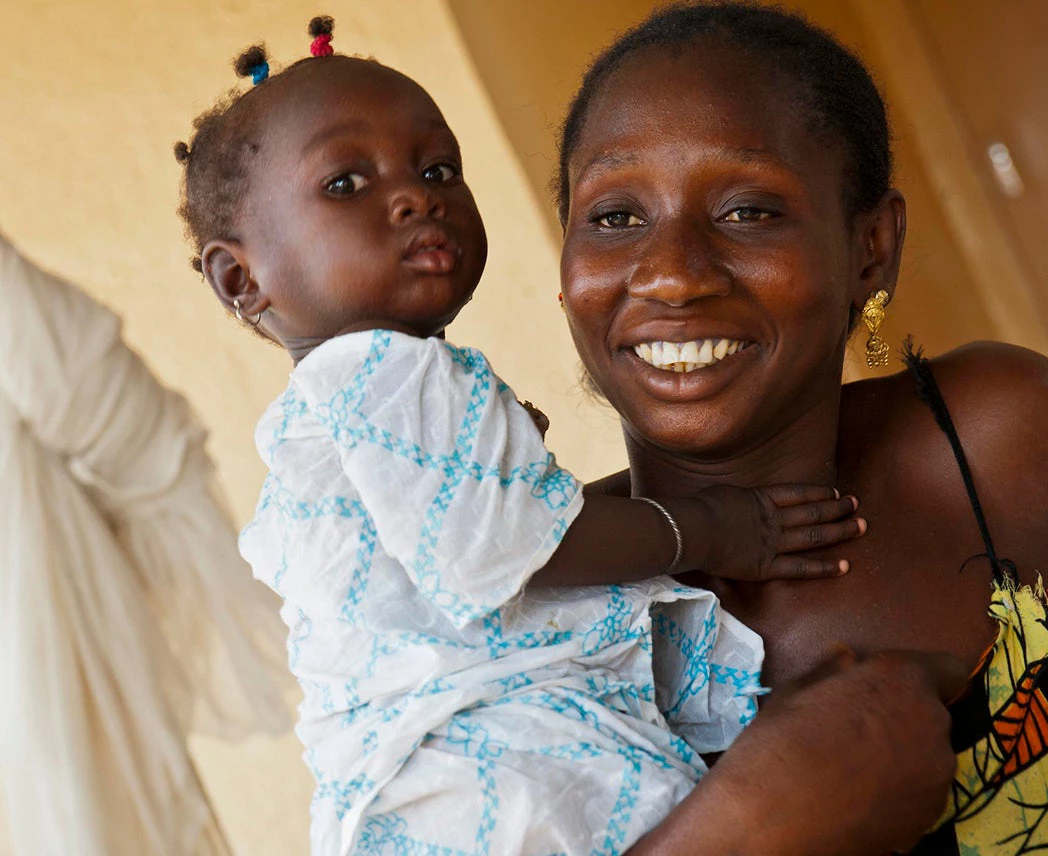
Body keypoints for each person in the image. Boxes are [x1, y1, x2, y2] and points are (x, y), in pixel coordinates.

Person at [172, 16, 883, 856]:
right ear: (240, 278)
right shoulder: (388, 376)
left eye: (438, 168)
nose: (414, 195)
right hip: (489, 765)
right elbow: (509, 547)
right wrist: (720, 529)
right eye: (344, 185)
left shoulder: (349, 404)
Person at [554, 3, 1048, 854]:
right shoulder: (524, 598)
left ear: (871, 248)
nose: (671, 274)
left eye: (748, 210)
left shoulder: (1006, 447)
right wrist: (751, 824)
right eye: (614, 217)